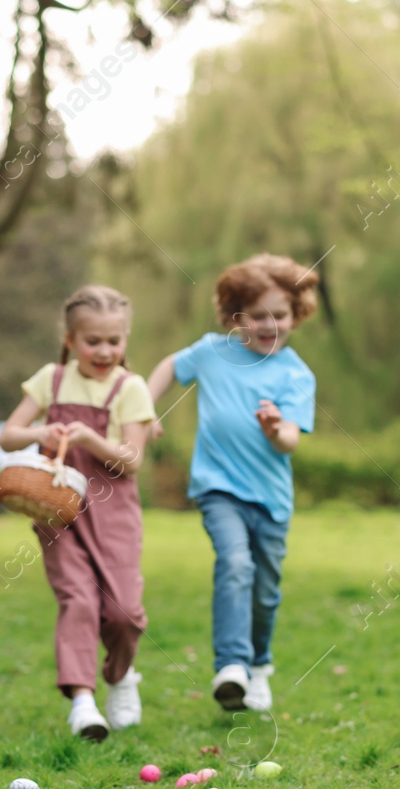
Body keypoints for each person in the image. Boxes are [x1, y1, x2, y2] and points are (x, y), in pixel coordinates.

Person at [147, 254, 319, 713]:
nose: (269, 325)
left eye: (279, 315)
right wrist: (145, 407)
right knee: (235, 563)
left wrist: (275, 427)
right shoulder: (212, 351)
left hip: (271, 500)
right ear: (235, 317)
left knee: (264, 590)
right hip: (218, 488)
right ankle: (231, 667)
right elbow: (169, 365)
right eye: (257, 315)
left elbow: (289, 443)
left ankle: (259, 666)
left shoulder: (296, 375)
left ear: (296, 315)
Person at [0, 285, 156, 740]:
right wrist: (41, 428)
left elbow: (131, 458)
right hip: (58, 509)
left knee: (124, 613)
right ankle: (83, 703)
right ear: (70, 339)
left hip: (114, 514)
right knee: (79, 600)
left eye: (114, 341)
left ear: (125, 340)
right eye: (93, 342)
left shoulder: (132, 388)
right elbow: (9, 435)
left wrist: (90, 439)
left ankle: (120, 675)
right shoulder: (50, 379)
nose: (104, 351)